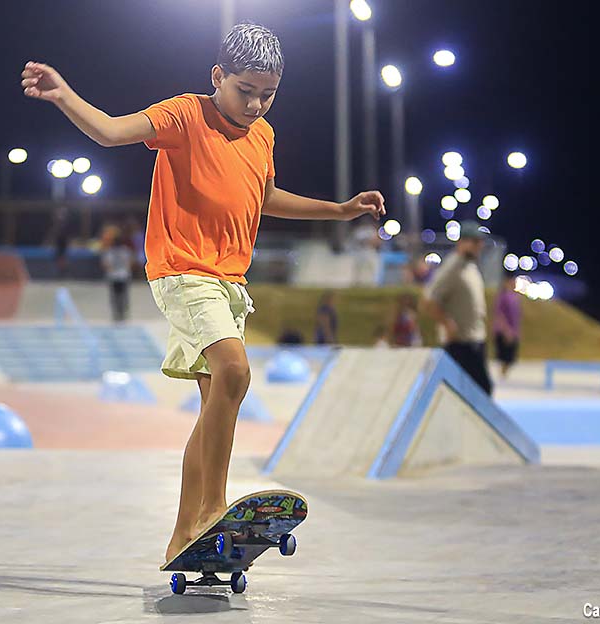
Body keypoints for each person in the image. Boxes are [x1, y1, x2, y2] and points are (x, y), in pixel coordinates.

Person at [22, 22, 385, 564]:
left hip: (230, 282)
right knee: (235, 372)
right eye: (245, 91)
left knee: (218, 403)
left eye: (268, 95)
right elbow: (110, 132)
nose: (256, 105)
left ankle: (183, 534)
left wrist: (338, 210)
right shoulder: (185, 114)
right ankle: (214, 506)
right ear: (218, 76)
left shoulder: (263, 136)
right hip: (183, 272)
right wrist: (63, 95)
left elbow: (264, 197)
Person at [422, 221, 493, 395]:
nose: (479, 246)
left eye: (480, 242)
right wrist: (447, 324)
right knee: (479, 391)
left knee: (476, 392)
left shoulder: (470, 266)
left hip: (475, 340)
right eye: (474, 242)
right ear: (461, 242)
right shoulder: (453, 267)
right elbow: (429, 300)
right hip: (461, 343)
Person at [100, 224, 135, 322]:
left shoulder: (109, 251)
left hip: (113, 276)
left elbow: (105, 264)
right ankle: (123, 313)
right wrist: (126, 268)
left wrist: (111, 269)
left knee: (115, 296)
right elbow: (131, 261)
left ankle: (117, 313)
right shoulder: (126, 250)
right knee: (123, 295)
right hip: (123, 275)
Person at [493, 272, 522, 379]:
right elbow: (499, 314)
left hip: (514, 332)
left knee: (511, 358)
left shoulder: (515, 296)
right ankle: (502, 376)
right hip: (504, 332)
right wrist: (506, 331)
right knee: (505, 357)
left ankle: (504, 376)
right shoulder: (503, 296)